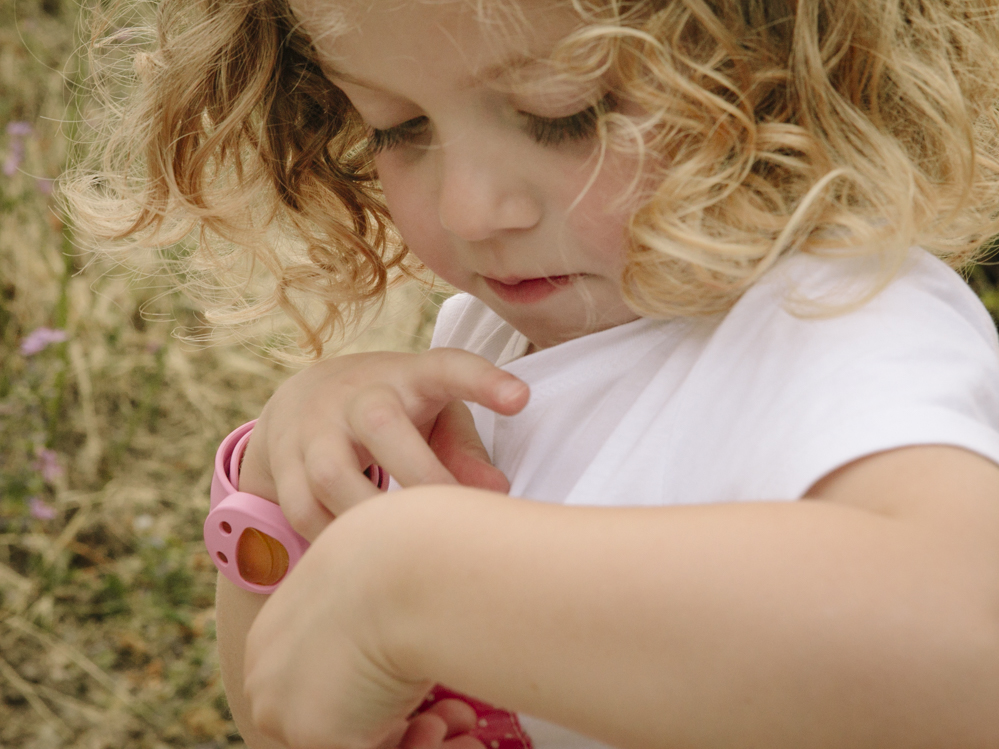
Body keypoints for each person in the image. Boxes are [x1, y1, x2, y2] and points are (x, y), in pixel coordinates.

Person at [64, 0, 999, 746]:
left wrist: (410, 584)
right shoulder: (490, 345)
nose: (471, 209)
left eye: (565, 113)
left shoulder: (842, 315)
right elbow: (287, 715)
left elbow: (969, 645)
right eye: (395, 127)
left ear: (787, 64)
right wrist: (277, 484)